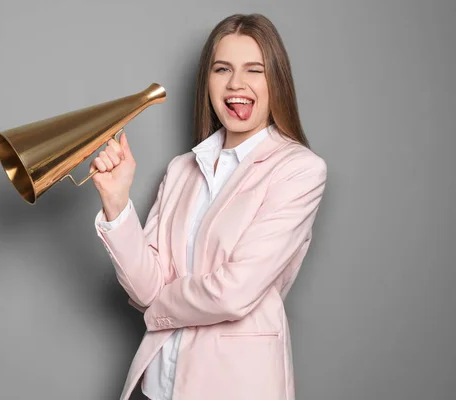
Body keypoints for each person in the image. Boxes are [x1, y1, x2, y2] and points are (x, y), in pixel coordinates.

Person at [89, 13, 327, 400]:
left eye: (255, 70)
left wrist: (158, 309)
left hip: (235, 387)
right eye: (222, 70)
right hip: (157, 386)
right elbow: (146, 283)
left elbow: (234, 292)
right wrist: (117, 205)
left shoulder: (300, 170)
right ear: (208, 82)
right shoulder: (182, 169)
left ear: (276, 82)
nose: (237, 84)